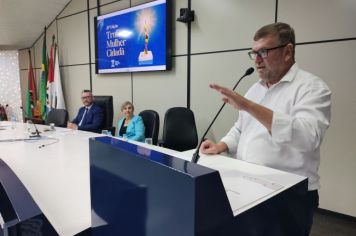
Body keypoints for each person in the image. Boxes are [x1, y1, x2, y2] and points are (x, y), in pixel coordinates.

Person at [200, 22, 331, 235]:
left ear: (288, 51)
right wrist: (221, 145)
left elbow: (307, 138)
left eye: (264, 52)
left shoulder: (312, 88)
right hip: (249, 185)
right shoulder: (255, 89)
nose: (257, 60)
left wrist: (249, 106)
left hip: (289, 195)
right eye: (254, 53)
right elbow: (241, 129)